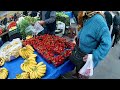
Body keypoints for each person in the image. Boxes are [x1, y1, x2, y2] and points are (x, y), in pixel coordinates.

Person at [69, 11, 112, 79]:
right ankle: (77, 74)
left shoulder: (98, 20)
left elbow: (107, 44)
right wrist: (78, 37)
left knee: (83, 75)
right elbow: (87, 30)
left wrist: (94, 55)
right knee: (79, 68)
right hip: (80, 53)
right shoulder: (88, 16)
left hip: (87, 58)